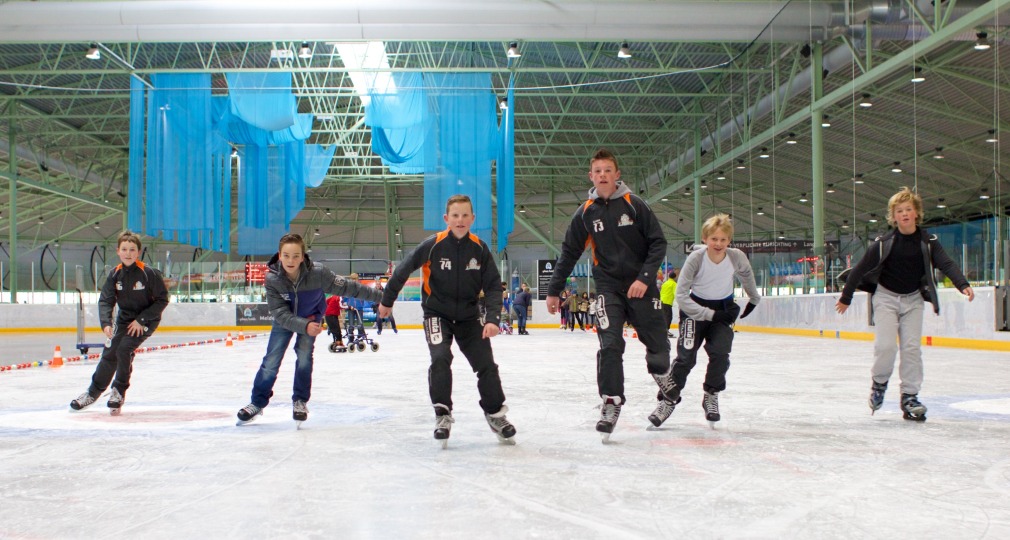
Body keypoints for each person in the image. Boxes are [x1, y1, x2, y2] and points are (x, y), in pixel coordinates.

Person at [545, 148, 674, 440]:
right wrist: (554, 290)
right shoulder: (585, 213)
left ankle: (666, 386)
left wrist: (644, 278)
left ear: (617, 175)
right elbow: (569, 253)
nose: (603, 175)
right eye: (597, 171)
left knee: (657, 348)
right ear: (591, 176)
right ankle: (611, 401)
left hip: (642, 288)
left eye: (607, 170)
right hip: (608, 288)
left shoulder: (635, 205)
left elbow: (658, 243)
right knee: (610, 344)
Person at [378, 194, 517, 446]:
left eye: (465, 215)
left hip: (469, 317)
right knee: (440, 357)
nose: (460, 220)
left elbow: (493, 286)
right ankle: (442, 414)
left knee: (486, 364)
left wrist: (493, 319)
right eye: (455, 215)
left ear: (472, 218)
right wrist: (387, 301)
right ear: (446, 218)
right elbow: (403, 269)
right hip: (437, 315)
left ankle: (495, 414)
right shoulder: (433, 245)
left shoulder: (480, 249)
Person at [836, 187, 974, 421]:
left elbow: (946, 263)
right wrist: (846, 297)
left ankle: (910, 396)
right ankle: (879, 384)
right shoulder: (884, 243)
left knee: (911, 349)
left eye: (908, 209)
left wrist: (962, 284)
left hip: (913, 299)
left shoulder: (928, 242)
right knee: (886, 346)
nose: (904, 214)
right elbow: (859, 269)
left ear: (916, 213)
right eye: (899, 211)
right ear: (894, 216)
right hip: (886, 298)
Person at [236, 234, 382, 425]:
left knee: (304, 357)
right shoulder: (272, 278)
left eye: (296, 256)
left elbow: (349, 287)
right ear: (279, 256)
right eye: (286, 255)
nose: (291, 260)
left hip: (311, 318)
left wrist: (381, 298)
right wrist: (304, 325)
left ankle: (300, 401)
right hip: (285, 321)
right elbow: (279, 312)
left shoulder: (318, 273)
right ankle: (257, 403)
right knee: (271, 359)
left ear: (303, 256)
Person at [651, 214, 761, 427]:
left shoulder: (736, 256)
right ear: (705, 239)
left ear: (729, 240)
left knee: (721, 353)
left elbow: (746, 275)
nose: (718, 244)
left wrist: (754, 297)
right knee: (686, 358)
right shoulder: (696, 259)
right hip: (694, 312)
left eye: (723, 239)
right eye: (714, 239)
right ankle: (668, 400)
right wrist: (709, 314)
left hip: (723, 311)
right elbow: (681, 296)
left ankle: (711, 394)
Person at [70, 231, 169, 414]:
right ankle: (92, 393)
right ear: (118, 251)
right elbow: (106, 300)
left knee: (124, 349)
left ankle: (118, 392)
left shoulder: (149, 273)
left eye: (132, 249)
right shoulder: (115, 274)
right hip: (123, 320)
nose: (128, 253)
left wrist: (141, 319)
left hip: (146, 320)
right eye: (124, 249)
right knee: (110, 352)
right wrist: (106, 323)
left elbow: (162, 300)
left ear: (138, 252)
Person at [660, 269, 679, 338]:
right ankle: (666, 331)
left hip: (662, 301)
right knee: (668, 317)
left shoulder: (665, 283)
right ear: (675, 277)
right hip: (667, 302)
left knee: (664, 316)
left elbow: (661, 291)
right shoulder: (674, 284)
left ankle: (662, 330)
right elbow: (675, 293)